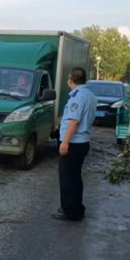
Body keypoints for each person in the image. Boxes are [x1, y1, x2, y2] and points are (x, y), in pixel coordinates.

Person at [52, 68, 97, 222]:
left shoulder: (78, 97)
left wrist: (64, 142)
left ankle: (69, 211)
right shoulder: (89, 95)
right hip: (82, 142)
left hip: (73, 143)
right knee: (75, 177)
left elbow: (74, 121)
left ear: (70, 80)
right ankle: (77, 208)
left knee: (67, 179)